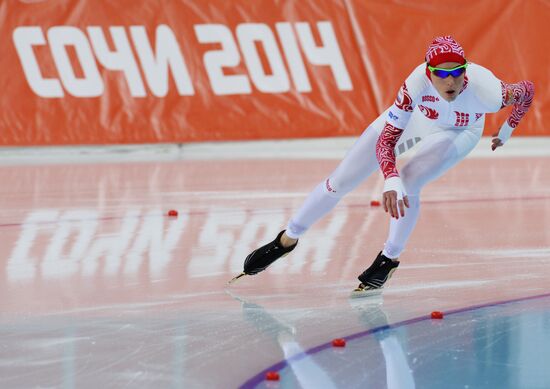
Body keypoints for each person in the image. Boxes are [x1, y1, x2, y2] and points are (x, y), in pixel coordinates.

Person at [230, 36, 534, 295]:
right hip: (419, 119)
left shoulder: (491, 92)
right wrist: (388, 177)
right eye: (441, 74)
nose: (450, 81)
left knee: (410, 180)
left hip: (460, 130)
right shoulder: (414, 84)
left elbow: (527, 91)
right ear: (428, 73)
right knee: (341, 180)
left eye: (456, 72)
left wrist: (507, 128)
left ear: (465, 70)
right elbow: (386, 139)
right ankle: (287, 239)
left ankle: (389, 259)